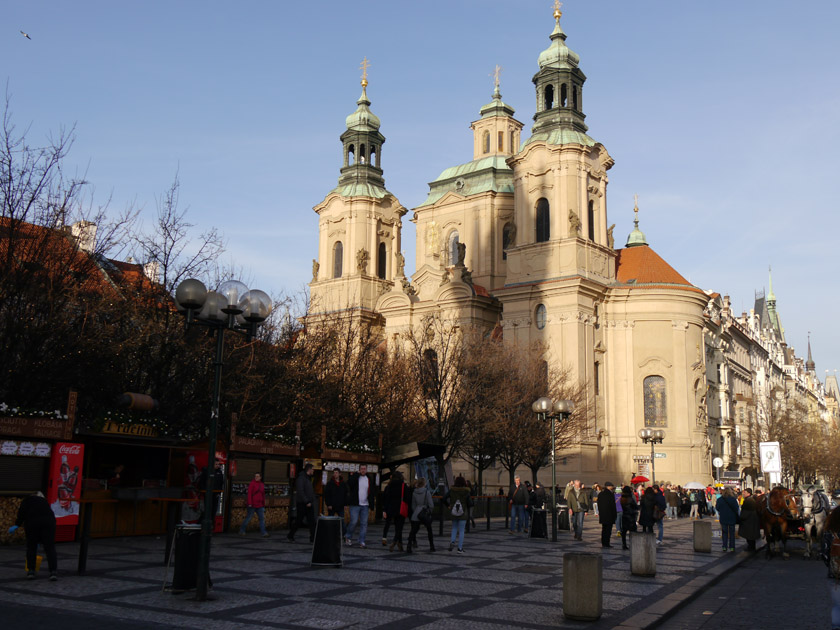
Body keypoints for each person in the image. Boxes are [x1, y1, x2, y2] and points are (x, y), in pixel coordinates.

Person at [10, 491, 58, 580]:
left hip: (32, 523)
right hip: (48, 523)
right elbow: (50, 514)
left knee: (31, 547)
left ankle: (31, 571)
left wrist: (17, 524)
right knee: (50, 548)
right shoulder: (44, 501)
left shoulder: (27, 501)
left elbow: (21, 513)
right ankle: (53, 572)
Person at [820, 505, 840, 629]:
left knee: (837, 605)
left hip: (835, 575)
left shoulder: (829, 532)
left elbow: (824, 553)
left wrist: (832, 566)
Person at [346, 464, 374, 548]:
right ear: (359, 470)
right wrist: (356, 474)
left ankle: (361, 541)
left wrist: (371, 504)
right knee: (354, 521)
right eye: (361, 469)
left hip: (365, 504)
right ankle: (348, 536)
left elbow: (371, 491)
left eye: (364, 469)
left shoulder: (368, 478)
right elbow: (349, 483)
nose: (363, 470)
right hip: (355, 504)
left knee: (364, 524)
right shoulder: (356, 477)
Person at [288, 463, 315, 543]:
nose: (313, 471)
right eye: (312, 469)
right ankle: (290, 535)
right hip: (302, 503)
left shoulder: (308, 478)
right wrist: (306, 501)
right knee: (298, 521)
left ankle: (313, 538)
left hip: (309, 503)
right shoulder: (301, 478)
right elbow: (300, 491)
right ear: (309, 470)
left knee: (312, 521)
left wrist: (311, 500)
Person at [407, 477, 435, 553]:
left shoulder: (414, 492)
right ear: (424, 484)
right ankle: (432, 546)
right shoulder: (427, 492)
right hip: (424, 512)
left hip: (416, 513)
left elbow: (413, 505)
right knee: (429, 530)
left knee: (413, 531)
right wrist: (429, 511)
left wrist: (416, 511)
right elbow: (431, 505)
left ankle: (409, 545)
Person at [382, 471, 408, 552]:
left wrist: (385, 510)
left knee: (396, 526)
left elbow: (386, 499)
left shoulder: (389, 486)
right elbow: (407, 498)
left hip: (391, 509)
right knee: (399, 527)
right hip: (400, 508)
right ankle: (394, 541)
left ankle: (400, 544)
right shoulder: (403, 485)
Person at [445, 476, 471, 553]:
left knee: (454, 528)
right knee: (462, 530)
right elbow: (470, 503)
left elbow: (444, 498)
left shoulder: (452, 490)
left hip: (454, 512)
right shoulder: (466, 491)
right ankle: (460, 549)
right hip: (463, 513)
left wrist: (448, 505)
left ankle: (452, 541)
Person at [239, 472, 268, 537]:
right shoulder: (252, 484)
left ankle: (264, 532)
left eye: (257, 476)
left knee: (261, 519)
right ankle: (242, 530)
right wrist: (249, 503)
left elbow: (263, 495)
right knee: (248, 518)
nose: (256, 477)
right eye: (255, 476)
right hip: (252, 504)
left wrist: (263, 504)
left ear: (260, 477)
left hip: (260, 504)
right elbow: (249, 494)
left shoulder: (262, 484)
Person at [323, 468, 349, 537]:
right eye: (334, 473)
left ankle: (344, 535)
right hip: (332, 506)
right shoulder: (330, 483)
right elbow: (326, 494)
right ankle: (328, 534)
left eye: (336, 473)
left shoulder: (343, 483)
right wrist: (328, 504)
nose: (335, 474)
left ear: (340, 474)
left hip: (340, 506)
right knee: (330, 521)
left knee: (342, 521)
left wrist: (346, 504)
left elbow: (345, 494)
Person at [715, 487, 740, 552]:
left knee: (724, 532)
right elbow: (736, 508)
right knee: (732, 533)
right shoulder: (733, 499)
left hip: (723, 518)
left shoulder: (720, 499)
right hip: (732, 518)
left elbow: (717, 508)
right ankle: (732, 547)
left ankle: (724, 546)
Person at [597, 482, 617, 548]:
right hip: (609, 515)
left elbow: (598, 504)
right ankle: (607, 543)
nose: (612, 487)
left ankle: (603, 543)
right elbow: (613, 506)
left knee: (604, 530)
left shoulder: (600, 494)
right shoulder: (610, 494)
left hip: (603, 515)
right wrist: (615, 515)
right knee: (608, 531)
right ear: (608, 487)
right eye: (611, 486)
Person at [620, 486, 639, 550]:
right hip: (630, 516)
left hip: (624, 516)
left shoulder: (622, 498)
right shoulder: (630, 498)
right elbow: (635, 506)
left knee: (624, 532)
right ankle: (633, 544)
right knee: (633, 531)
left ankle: (624, 544)